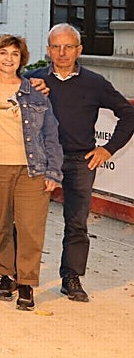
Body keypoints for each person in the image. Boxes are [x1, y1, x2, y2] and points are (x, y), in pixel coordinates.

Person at [26, 23, 134, 303]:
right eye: (56, 46)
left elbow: (128, 114)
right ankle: (21, 277)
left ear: (79, 50)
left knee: (77, 223)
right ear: (48, 49)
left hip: (79, 161)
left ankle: (71, 277)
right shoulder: (32, 80)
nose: (62, 52)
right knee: (27, 222)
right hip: (40, 159)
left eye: (68, 47)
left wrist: (108, 149)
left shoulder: (95, 82)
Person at [0, 34, 63, 311]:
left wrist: (53, 171)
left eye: (14, 54)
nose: (8, 58)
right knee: (0, 225)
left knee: (30, 228)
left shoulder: (35, 91)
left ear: (21, 59)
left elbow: (50, 133)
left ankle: (26, 282)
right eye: (3, 53)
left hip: (31, 169)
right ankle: (5, 275)